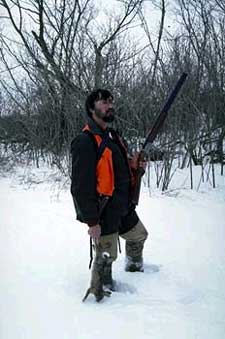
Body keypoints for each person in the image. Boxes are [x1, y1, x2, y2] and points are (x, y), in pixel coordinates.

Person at [70, 89, 148, 302]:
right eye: (104, 102)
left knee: (139, 235)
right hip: (104, 212)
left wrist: (135, 166)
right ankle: (104, 297)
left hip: (123, 205)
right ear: (91, 108)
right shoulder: (84, 142)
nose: (110, 105)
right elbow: (80, 187)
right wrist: (92, 221)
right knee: (106, 257)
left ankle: (134, 269)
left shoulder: (114, 136)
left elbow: (119, 168)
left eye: (111, 101)